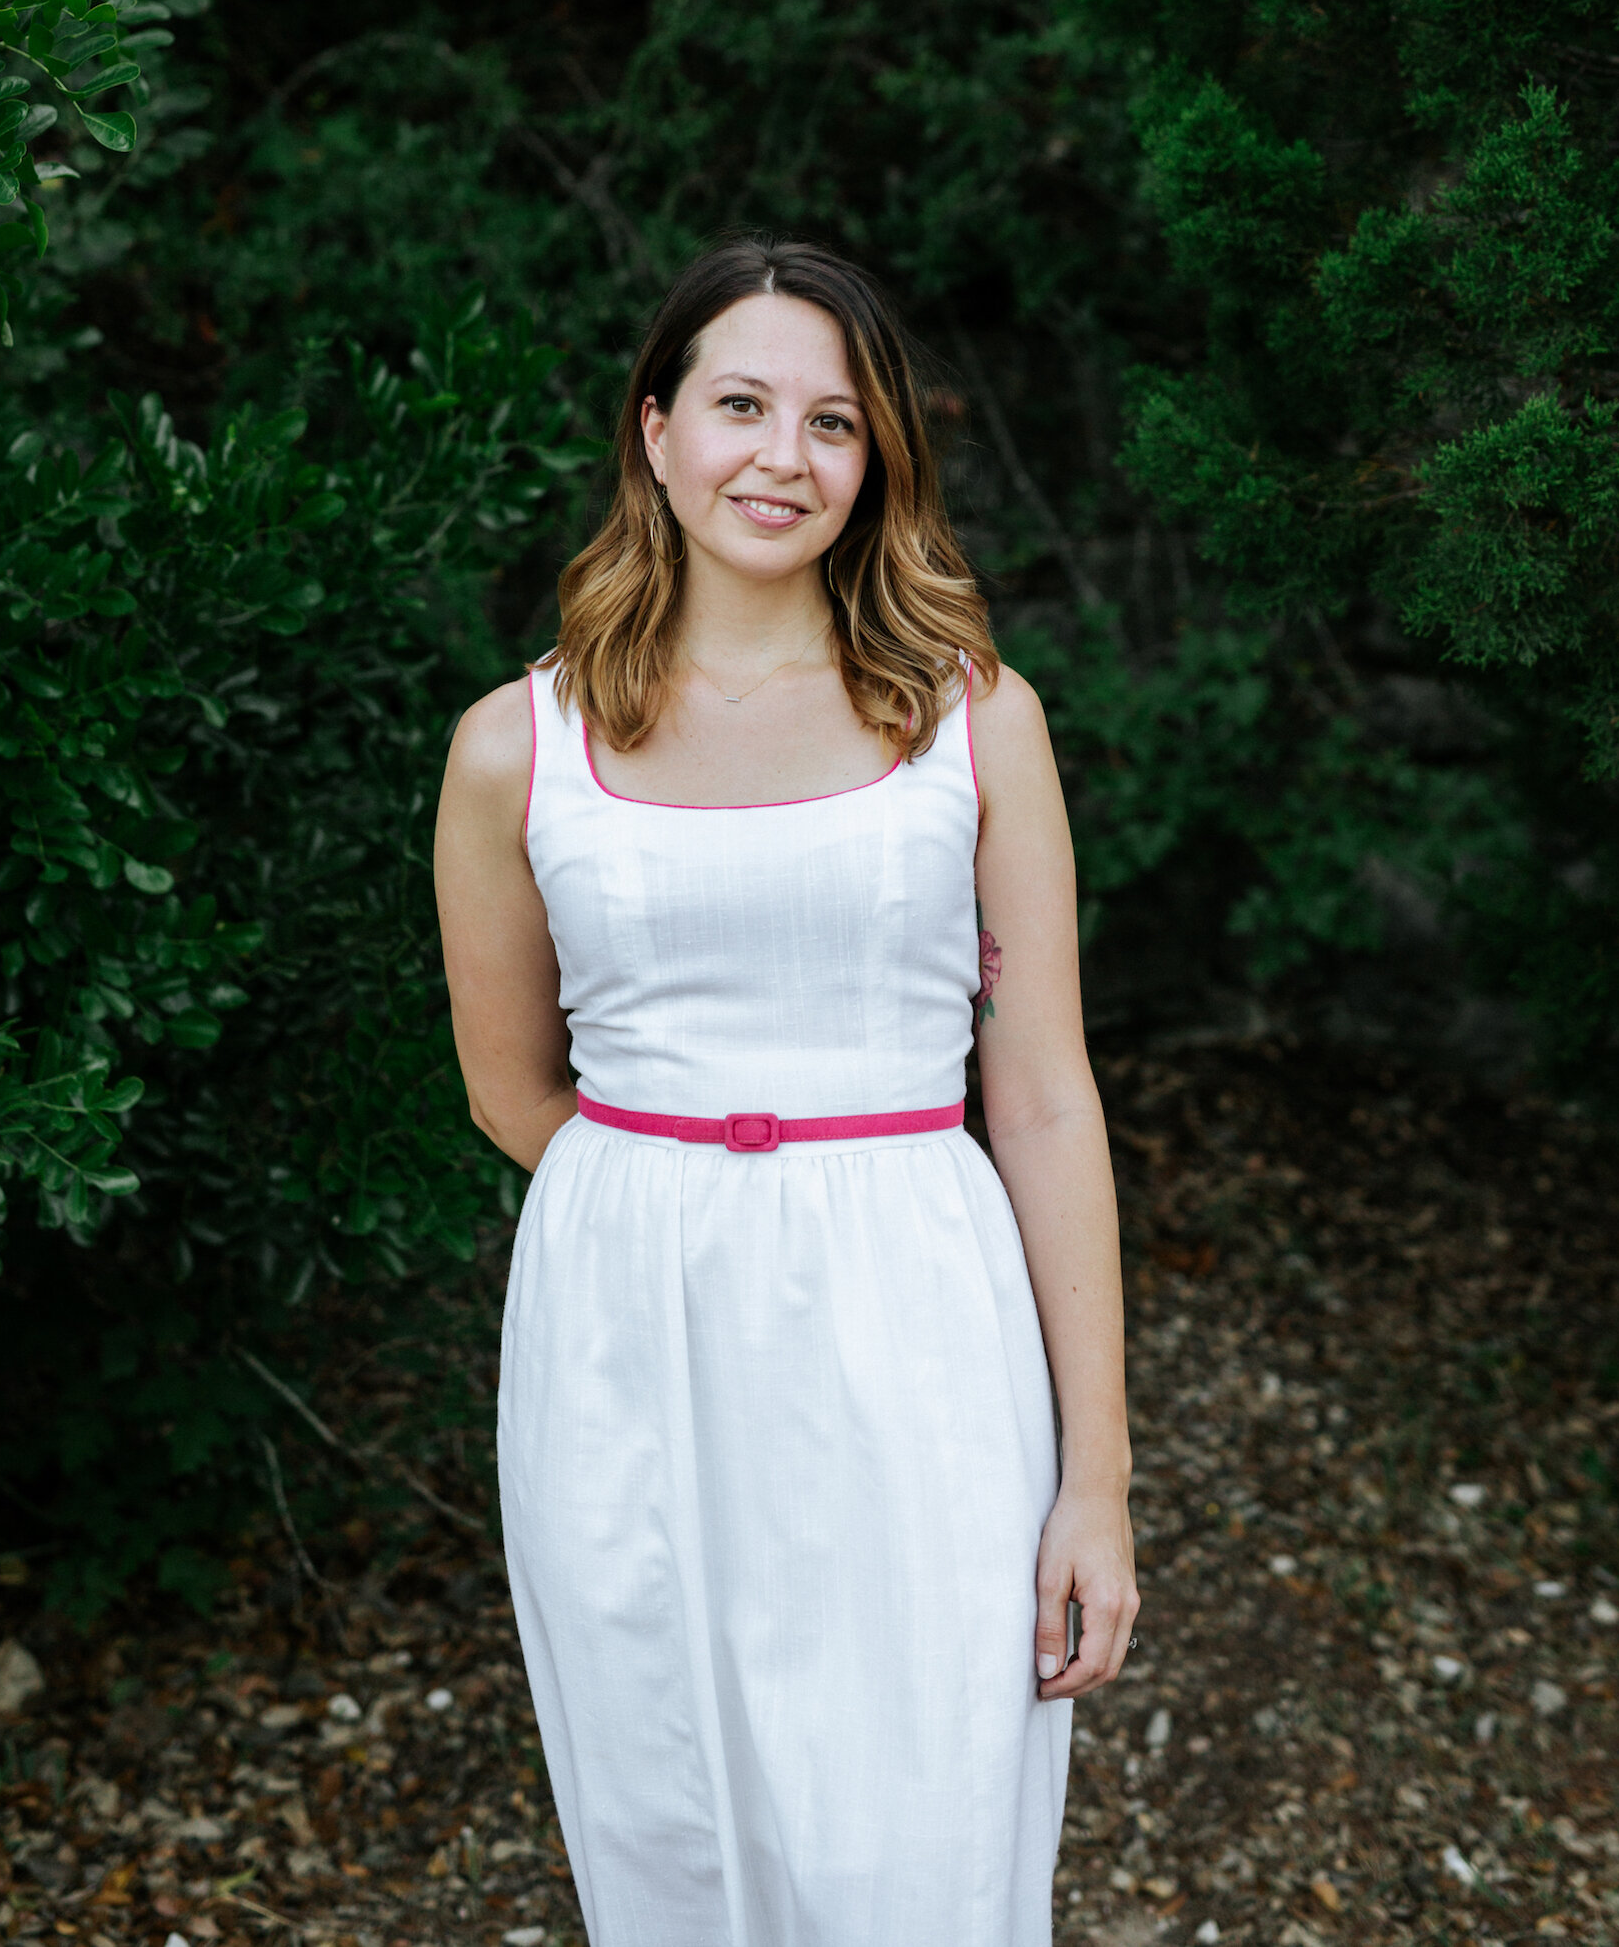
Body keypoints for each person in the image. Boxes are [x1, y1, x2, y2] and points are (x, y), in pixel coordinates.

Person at [434, 236, 1137, 1947]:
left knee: (923, 1827)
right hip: (625, 1336)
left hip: (914, 1314)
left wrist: (1097, 1479)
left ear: (876, 457)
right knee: (674, 1814)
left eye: (833, 421)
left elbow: (1040, 1097)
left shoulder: (975, 724)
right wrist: (685, 1209)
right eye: (741, 406)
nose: (784, 457)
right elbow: (511, 1089)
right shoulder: (518, 750)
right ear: (658, 431)